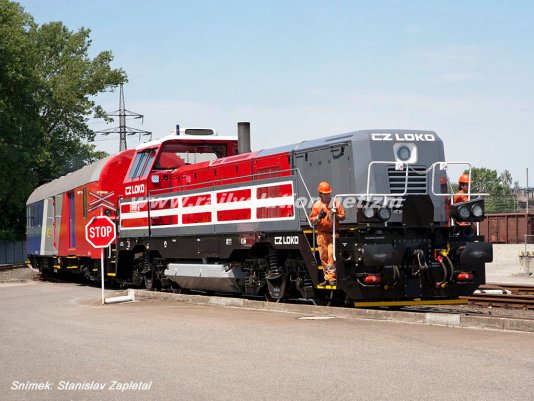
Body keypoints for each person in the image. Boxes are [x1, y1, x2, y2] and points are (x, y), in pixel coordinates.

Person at [309, 181, 345, 286]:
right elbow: (312, 221)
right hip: (321, 234)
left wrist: (335, 215)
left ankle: (332, 278)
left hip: (333, 233)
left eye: (329, 193)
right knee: (323, 256)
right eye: (326, 193)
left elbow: (343, 216)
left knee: (331, 254)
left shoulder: (335, 203)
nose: (328, 195)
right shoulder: (316, 205)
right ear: (320, 194)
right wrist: (319, 217)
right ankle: (327, 277)